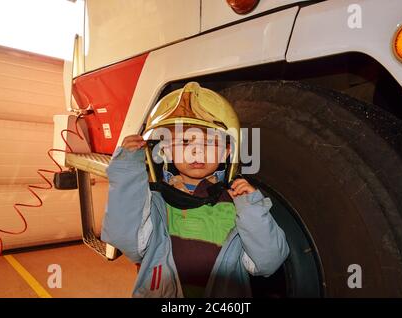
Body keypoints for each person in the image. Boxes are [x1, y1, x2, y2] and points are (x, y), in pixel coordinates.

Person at [101, 82, 289, 297]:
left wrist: (253, 210)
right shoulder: (153, 202)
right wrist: (126, 172)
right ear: (167, 151)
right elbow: (125, 238)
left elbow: (268, 263)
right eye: (184, 141)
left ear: (227, 151)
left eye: (209, 142)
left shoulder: (240, 204)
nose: (196, 151)